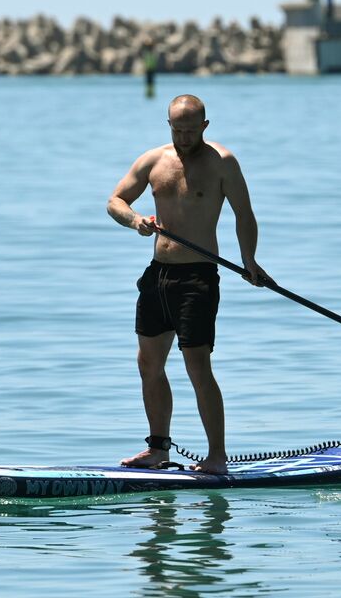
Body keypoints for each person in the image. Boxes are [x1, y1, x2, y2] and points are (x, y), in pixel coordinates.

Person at [107, 94, 271, 473]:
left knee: (197, 366)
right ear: (169, 126)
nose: (183, 137)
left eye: (190, 130)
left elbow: (244, 215)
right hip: (157, 275)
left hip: (197, 278)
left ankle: (216, 457)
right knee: (148, 363)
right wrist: (135, 221)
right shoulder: (153, 160)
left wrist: (249, 261)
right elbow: (115, 201)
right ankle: (158, 449)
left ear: (205, 126)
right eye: (177, 130)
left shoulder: (223, 163)